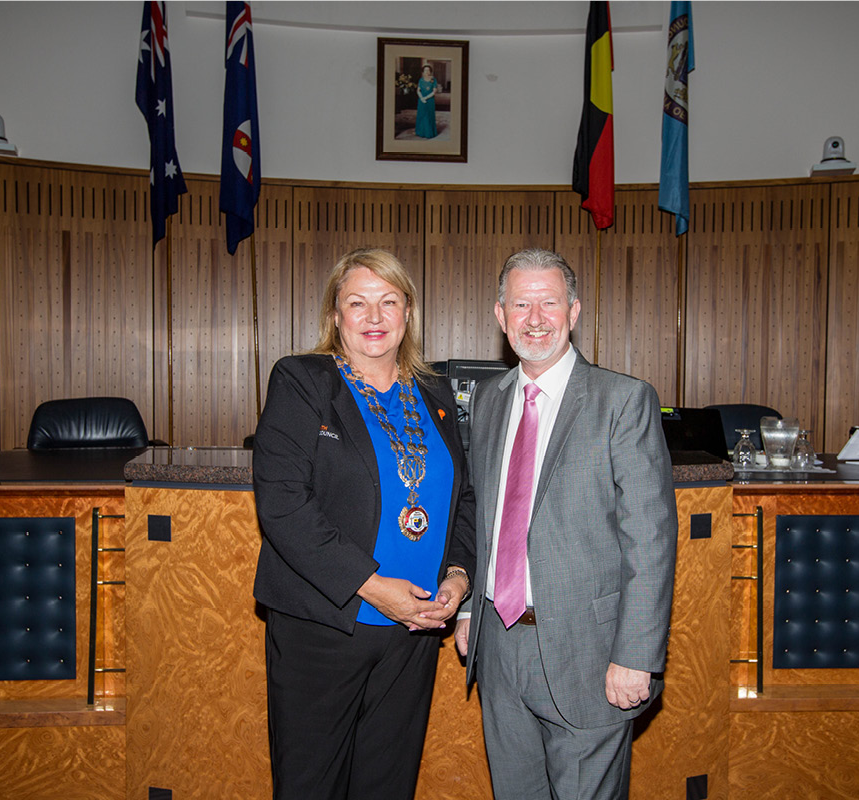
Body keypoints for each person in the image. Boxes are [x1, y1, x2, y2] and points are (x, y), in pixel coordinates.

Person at [252, 247, 476, 800]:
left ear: (407, 314)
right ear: (336, 315)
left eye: (388, 302)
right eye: (358, 303)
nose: (373, 318)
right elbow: (282, 504)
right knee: (312, 787)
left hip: (413, 634)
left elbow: (464, 498)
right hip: (324, 628)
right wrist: (375, 589)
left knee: (387, 786)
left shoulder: (435, 393)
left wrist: (459, 577)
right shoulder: (303, 380)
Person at [455, 248, 678, 800]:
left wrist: (636, 655)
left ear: (574, 312)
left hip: (591, 652)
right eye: (520, 304)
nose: (535, 318)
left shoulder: (623, 401)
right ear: (500, 316)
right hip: (499, 648)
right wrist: (466, 608)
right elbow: (482, 517)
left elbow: (650, 540)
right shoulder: (488, 401)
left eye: (549, 303)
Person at [415, 63, 438, 139]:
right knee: (422, 115)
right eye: (425, 70)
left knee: (428, 116)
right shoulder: (421, 80)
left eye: (428, 70)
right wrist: (421, 98)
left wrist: (426, 98)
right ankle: (421, 132)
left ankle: (429, 133)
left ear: (430, 71)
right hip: (421, 100)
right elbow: (418, 90)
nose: (427, 72)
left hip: (430, 100)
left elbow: (434, 91)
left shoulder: (433, 80)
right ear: (423, 72)